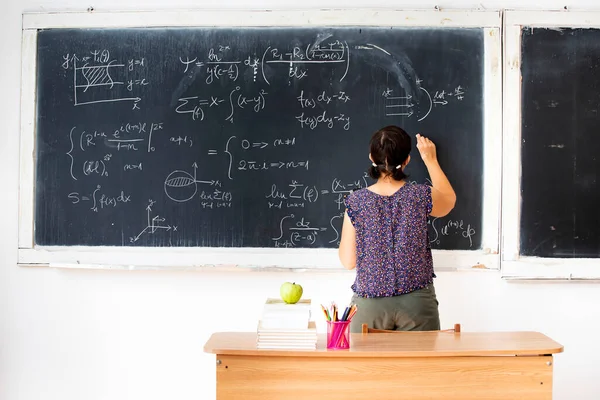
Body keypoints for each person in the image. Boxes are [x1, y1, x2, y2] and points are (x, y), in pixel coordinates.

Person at [338, 125, 456, 333]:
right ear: (407, 160)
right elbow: (448, 201)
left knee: (367, 366)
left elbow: (348, 262)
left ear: (371, 157)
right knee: (419, 366)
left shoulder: (355, 201)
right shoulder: (421, 195)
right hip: (417, 300)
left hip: (370, 301)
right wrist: (430, 159)